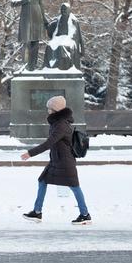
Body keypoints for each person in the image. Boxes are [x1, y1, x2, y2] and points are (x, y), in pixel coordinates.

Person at [21, 96, 92, 225]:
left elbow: (48, 143)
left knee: (75, 187)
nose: (48, 111)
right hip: (57, 160)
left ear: (56, 110)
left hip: (65, 162)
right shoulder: (58, 124)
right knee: (42, 181)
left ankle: (85, 214)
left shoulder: (61, 126)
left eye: (50, 109)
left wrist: (30, 153)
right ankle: (37, 212)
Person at [11, 0, 48, 71]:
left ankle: (33, 67)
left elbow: (41, 3)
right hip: (26, 17)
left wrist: (44, 19)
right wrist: (24, 0)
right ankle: (25, 66)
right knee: (26, 41)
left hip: (37, 16)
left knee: (36, 42)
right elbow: (12, 2)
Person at [43, 3, 85, 70]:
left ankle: (61, 67)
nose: (63, 11)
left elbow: (74, 33)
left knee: (61, 47)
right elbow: (56, 30)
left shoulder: (73, 20)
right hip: (59, 38)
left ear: (68, 10)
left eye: (65, 9)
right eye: (62, 9)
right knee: (49, 46)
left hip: (69, 40)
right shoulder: (59, 19)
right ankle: (49, 68)